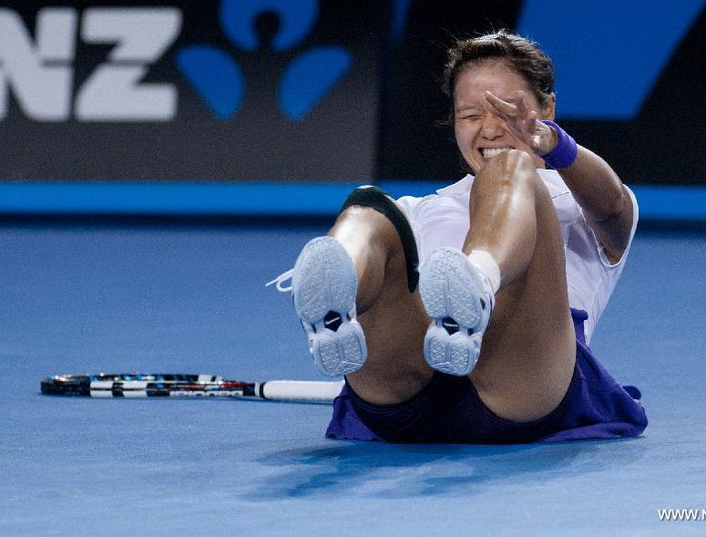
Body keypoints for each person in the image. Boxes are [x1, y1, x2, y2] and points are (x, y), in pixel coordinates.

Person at [272, 29, 647, 443]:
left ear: (548, 108)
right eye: (470, 115)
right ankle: (332, 309)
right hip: (406, 387)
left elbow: (613, 206)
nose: (488, 130)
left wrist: (556, 145)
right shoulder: (421, 209)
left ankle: (478, 287)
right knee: (370, 209)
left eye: (506, 111)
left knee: (511, 169)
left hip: (521, 386)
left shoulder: (582, 202)